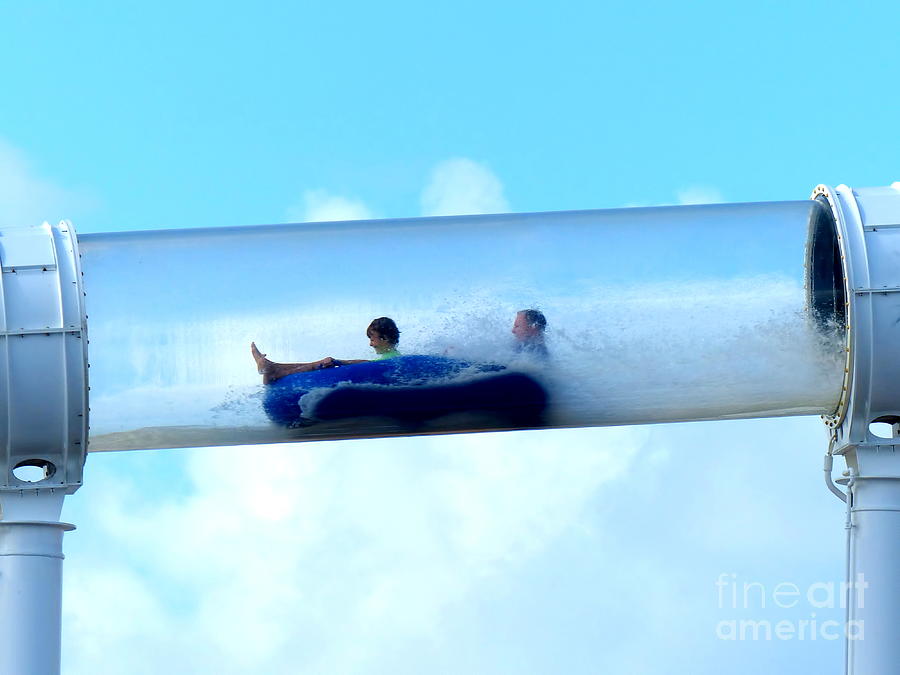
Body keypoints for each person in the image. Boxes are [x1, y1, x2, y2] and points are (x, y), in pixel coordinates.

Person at [251, 317, 401, 384]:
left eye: (372, 339)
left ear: (385, 338)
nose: (370, 344)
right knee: (325, 363)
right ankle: (274, 369)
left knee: (325, 363)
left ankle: (275, 370)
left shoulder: (393, 358)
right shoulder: (392, 356)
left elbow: (371, 365)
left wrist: (340, 362)